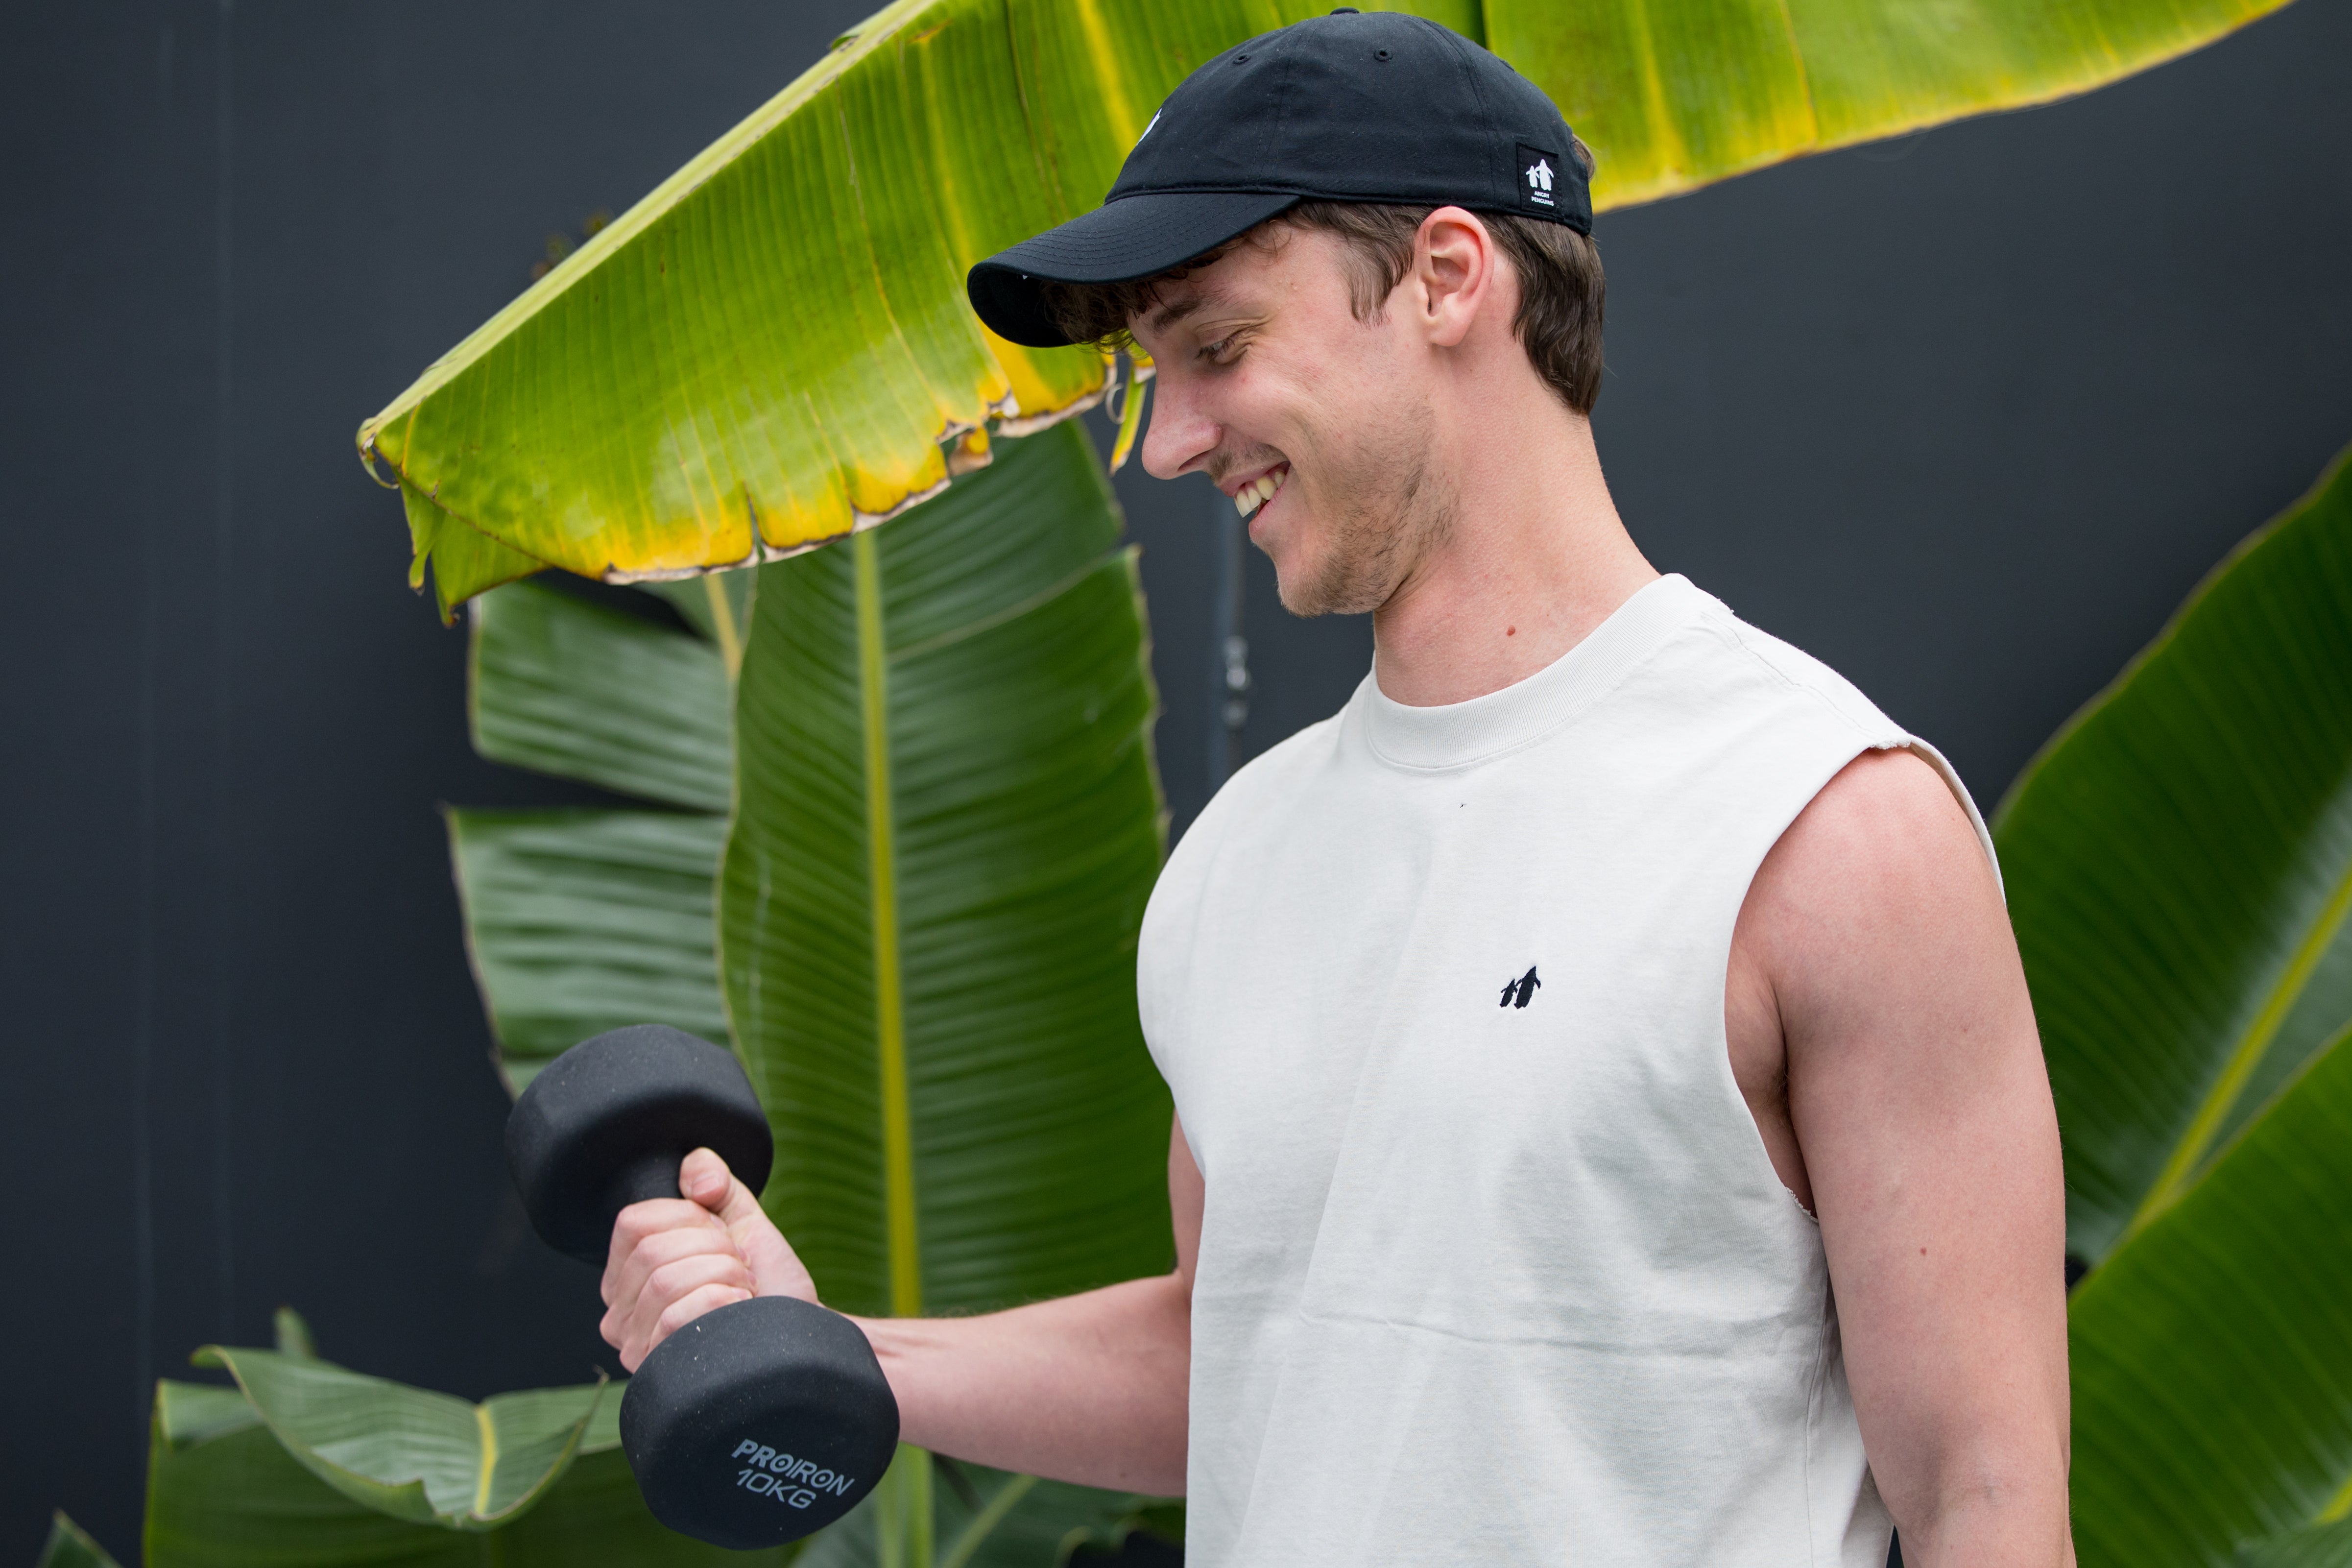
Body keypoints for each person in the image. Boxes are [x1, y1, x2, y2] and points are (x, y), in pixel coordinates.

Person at [597, 11, 2073, 1565]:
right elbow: (1238, 1348)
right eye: (1148, 375)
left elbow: (1982, 1490)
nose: (1164, 443)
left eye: (1215, 347)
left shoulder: (1824, 821)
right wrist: (820, 1343)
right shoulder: (1241, 858)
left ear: (1447, 275)